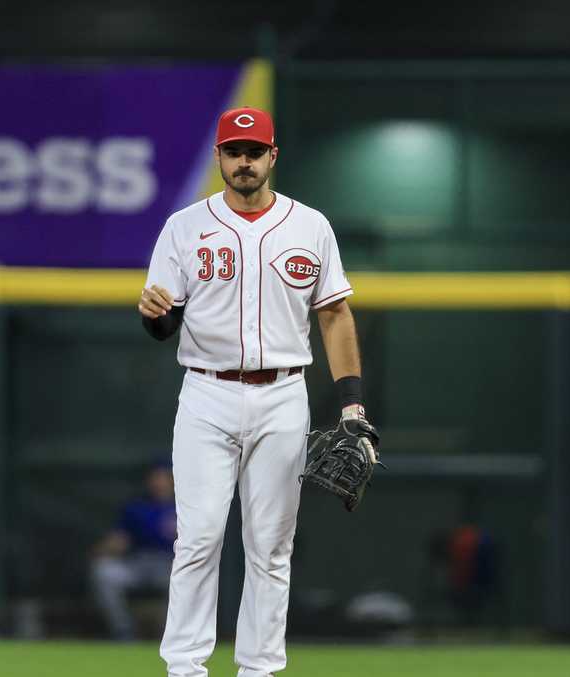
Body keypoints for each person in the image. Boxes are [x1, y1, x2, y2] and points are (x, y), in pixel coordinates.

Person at [138, 107, 368, 677]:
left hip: (284, 393)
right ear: (218, 158)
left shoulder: (310, 225)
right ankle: (185, 668)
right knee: (198, 539)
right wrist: (154, 316)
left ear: (272, 156)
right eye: (234, 151)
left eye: (254, 151)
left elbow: (335, 316)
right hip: (206, 392)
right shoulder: (184, 226)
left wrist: (352, 404)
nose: (244, 161)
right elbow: (165, 323)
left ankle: (259, 670)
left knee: (271, 546)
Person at [90, 461, 176, 641]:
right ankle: (123, 632)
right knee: (104, 572)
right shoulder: (137, 507)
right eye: (155, 477)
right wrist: (102, 549)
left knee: (189, 578)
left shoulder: (185, 507)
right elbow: (121, 540)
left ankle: (173, 634)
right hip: (137, 563)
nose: (158, 482)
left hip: (171, 566)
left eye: (163, 477)